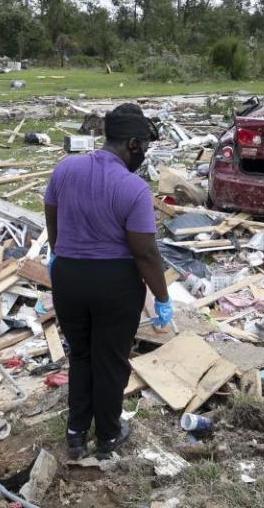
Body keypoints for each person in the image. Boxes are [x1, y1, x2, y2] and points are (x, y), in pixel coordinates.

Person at [44, 103, 172, 460]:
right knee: (111, 360)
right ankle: (108, 437)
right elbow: (145, 252)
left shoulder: (65, 169)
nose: (144, 155)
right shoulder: (132, 189)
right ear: (132, 144)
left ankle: (75, 433)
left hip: (69, 277)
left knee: (81, 355)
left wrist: (59, 254)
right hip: (114, 283)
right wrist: (161, 296)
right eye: (144, 148)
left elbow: (51, 213)